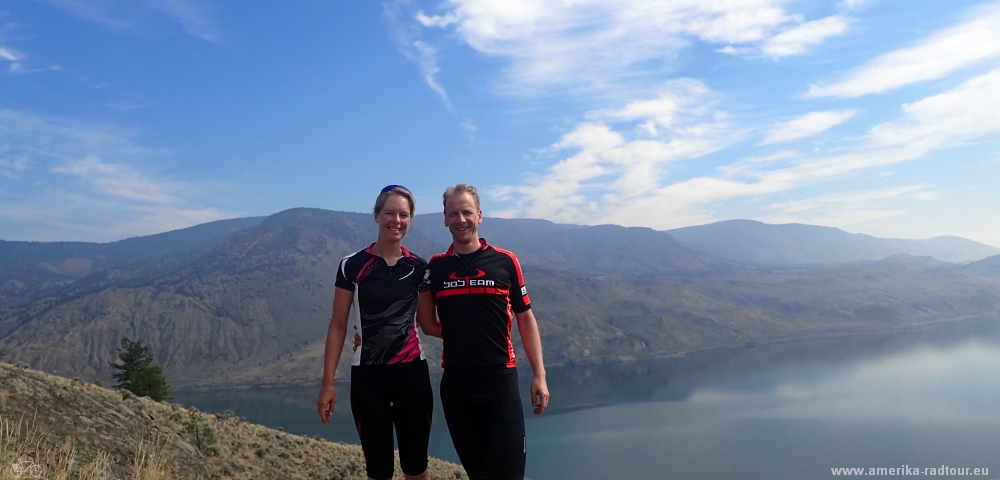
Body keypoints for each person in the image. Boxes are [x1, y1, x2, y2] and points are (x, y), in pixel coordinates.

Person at [317, 185, 441, 480]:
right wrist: (328, 383)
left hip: (412, 375)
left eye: (403, 214)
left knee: (416, 467)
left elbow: (428, 325)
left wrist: (475, 332)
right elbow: (338, 325)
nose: (396, 220)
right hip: (368, 377)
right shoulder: (352, 266)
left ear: (410, 219)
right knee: (378, 471)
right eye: (389, 213)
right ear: (376, 216)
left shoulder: (419, 268)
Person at [427, 183, 550, 480]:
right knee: (479, 475)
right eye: (453, 213)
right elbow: (426, 324)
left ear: (479, 216)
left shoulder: (505, 261)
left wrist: (540, 375)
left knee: (510, 475)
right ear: (444, 219)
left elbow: (525, 318)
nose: (461, 219)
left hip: (500, 382)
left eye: (467, 212)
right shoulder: (437, 268)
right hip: (457, 386)